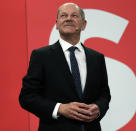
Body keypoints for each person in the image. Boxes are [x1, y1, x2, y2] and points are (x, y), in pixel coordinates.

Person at [19, 2, 111, 131]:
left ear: (83, 24)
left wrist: (98, 108)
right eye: (63, 15)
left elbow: (104, 94)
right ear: (56, 24)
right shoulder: (41, 56)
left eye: (74, 15)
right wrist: (59, 108)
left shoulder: (97, 58)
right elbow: (27, 97)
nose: (68, 18)